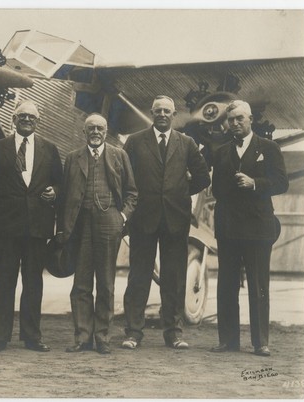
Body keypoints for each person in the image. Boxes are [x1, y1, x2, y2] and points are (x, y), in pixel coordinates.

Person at [121, 95, 210, 350]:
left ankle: (173, 332)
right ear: (151, 113)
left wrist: (181, 192)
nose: (162, 114)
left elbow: (202, 177)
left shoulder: (187, 143)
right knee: (138, 277)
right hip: (143, 219)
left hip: (175, 219)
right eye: (157, 110)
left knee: (173, 278)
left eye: (166, 111)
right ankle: (133, 333)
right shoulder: (135, 141)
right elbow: (124, 177)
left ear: (174, 115)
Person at [0, 100, 63, 353]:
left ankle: (32, 337)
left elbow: (60, 183)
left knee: (33, 282)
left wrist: (55, 192)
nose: (27, 120)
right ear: (13, 120)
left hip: (37, 228)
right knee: (4, 281)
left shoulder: (49, 149)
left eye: (32, 117)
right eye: (22, 116)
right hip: (6, 229)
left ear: (38, 121)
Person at [209, 100, 288, 357]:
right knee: (227, 285)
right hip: (229, 228)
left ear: (250, 119)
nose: (235, 123)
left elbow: (281, 183)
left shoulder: (270, 148)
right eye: (231, 119)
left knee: (258, 285)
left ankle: (260, 342)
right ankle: (227, 340)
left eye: (240, 118)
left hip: (257, 228)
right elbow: (218, 190)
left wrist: (255, 183)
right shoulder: (221, 152)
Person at [57, 113, 137, 354]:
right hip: (80, 225)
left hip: (109, 223)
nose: (95, 132)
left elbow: (132, 192)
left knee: (106, 282)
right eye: (90, 128)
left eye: (99, 128)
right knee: (81, 283)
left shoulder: (119, 155)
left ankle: (102, 337)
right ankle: (82, 337)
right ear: (84, 132)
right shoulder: (73, 158)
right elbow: (65, 196)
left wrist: (121, 217)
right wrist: (63, 227)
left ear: (106, 131)